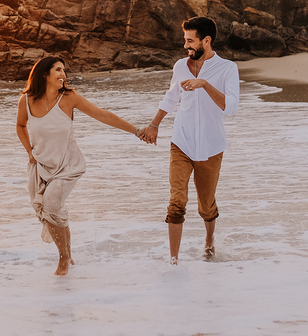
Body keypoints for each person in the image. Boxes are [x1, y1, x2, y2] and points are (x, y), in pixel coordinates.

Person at [16, 56, 144, 276]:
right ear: (44, 74)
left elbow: (102, 115)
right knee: (50, 211)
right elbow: (20, 125)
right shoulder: (26, 100)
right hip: (41, 166)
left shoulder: (69, 98)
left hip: (67, 165)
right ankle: (67, 255)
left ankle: (64, 260)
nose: (63, 74)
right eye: (58, 69)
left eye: (64, 70)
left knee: (51, 203)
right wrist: (29, 151)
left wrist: (136, 131)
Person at [137, 16, 240, 264]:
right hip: (181, 142)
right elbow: (172, 98)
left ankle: (209, 241)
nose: (186, 46)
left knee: (206, 206)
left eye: (191, 41)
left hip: (211, 147)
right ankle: (173, 261)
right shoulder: (180, 66)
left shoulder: (227, 69)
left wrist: (204, 84)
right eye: (185, 40)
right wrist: (154, 124)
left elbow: (231, 108)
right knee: (177, 201)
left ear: (206, 40)